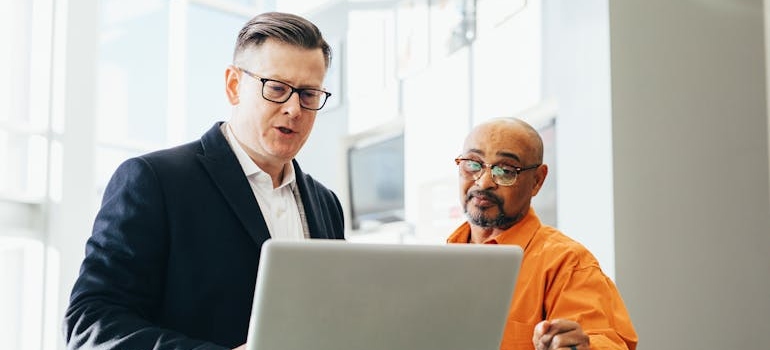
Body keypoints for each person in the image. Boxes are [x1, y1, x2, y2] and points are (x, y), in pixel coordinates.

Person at [63, 12, 344, 350]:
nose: (294, 109)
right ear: (234, 85)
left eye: (309, 95)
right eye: (277, 88)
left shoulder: (326, 203)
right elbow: (90, 324)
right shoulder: (153, 182)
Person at [447, 117, 638, 350]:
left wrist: (581, 347)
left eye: (505, 171)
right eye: (473, 164)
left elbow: (605, 341)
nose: (484, 182)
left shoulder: (567, 263)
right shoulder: (442, 259)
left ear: (537, 181)